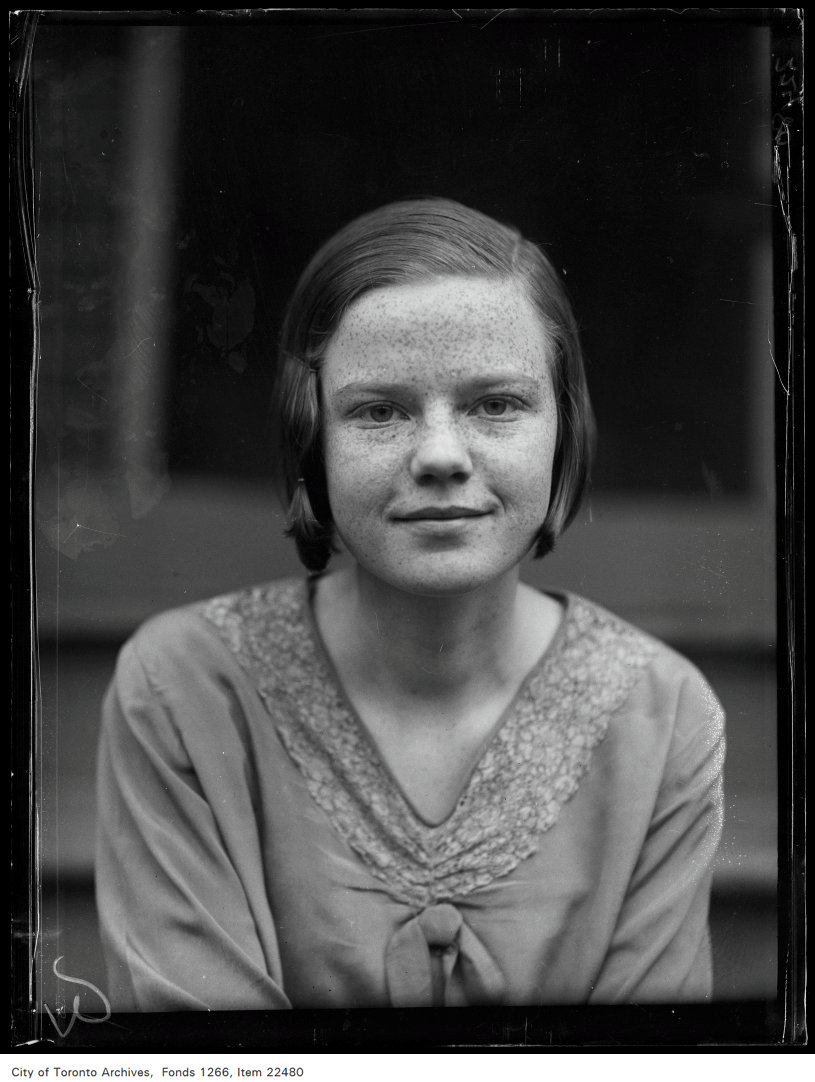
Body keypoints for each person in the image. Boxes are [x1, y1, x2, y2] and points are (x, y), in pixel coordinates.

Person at [96, 197, 725, 1011]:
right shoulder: (181, 688)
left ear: (562, 429)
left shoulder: (661, 714)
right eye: (379, 411)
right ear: (311, 439)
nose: (439, 456)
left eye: (495, 404)